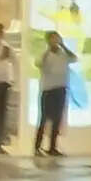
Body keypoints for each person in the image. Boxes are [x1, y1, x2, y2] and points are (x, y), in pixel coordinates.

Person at [33, 25, 76, 159]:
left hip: (61, 89)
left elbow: (74, 58)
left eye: (57, 39)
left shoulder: (63, 54)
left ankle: (52, 147)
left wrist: (63, 46)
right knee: (44, 119)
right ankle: (37, 147)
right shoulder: (45, 54)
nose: (55, 41)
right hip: (48, 90)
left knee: (57, 120)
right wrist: (48, 49)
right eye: (52, 39)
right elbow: (39, 63)